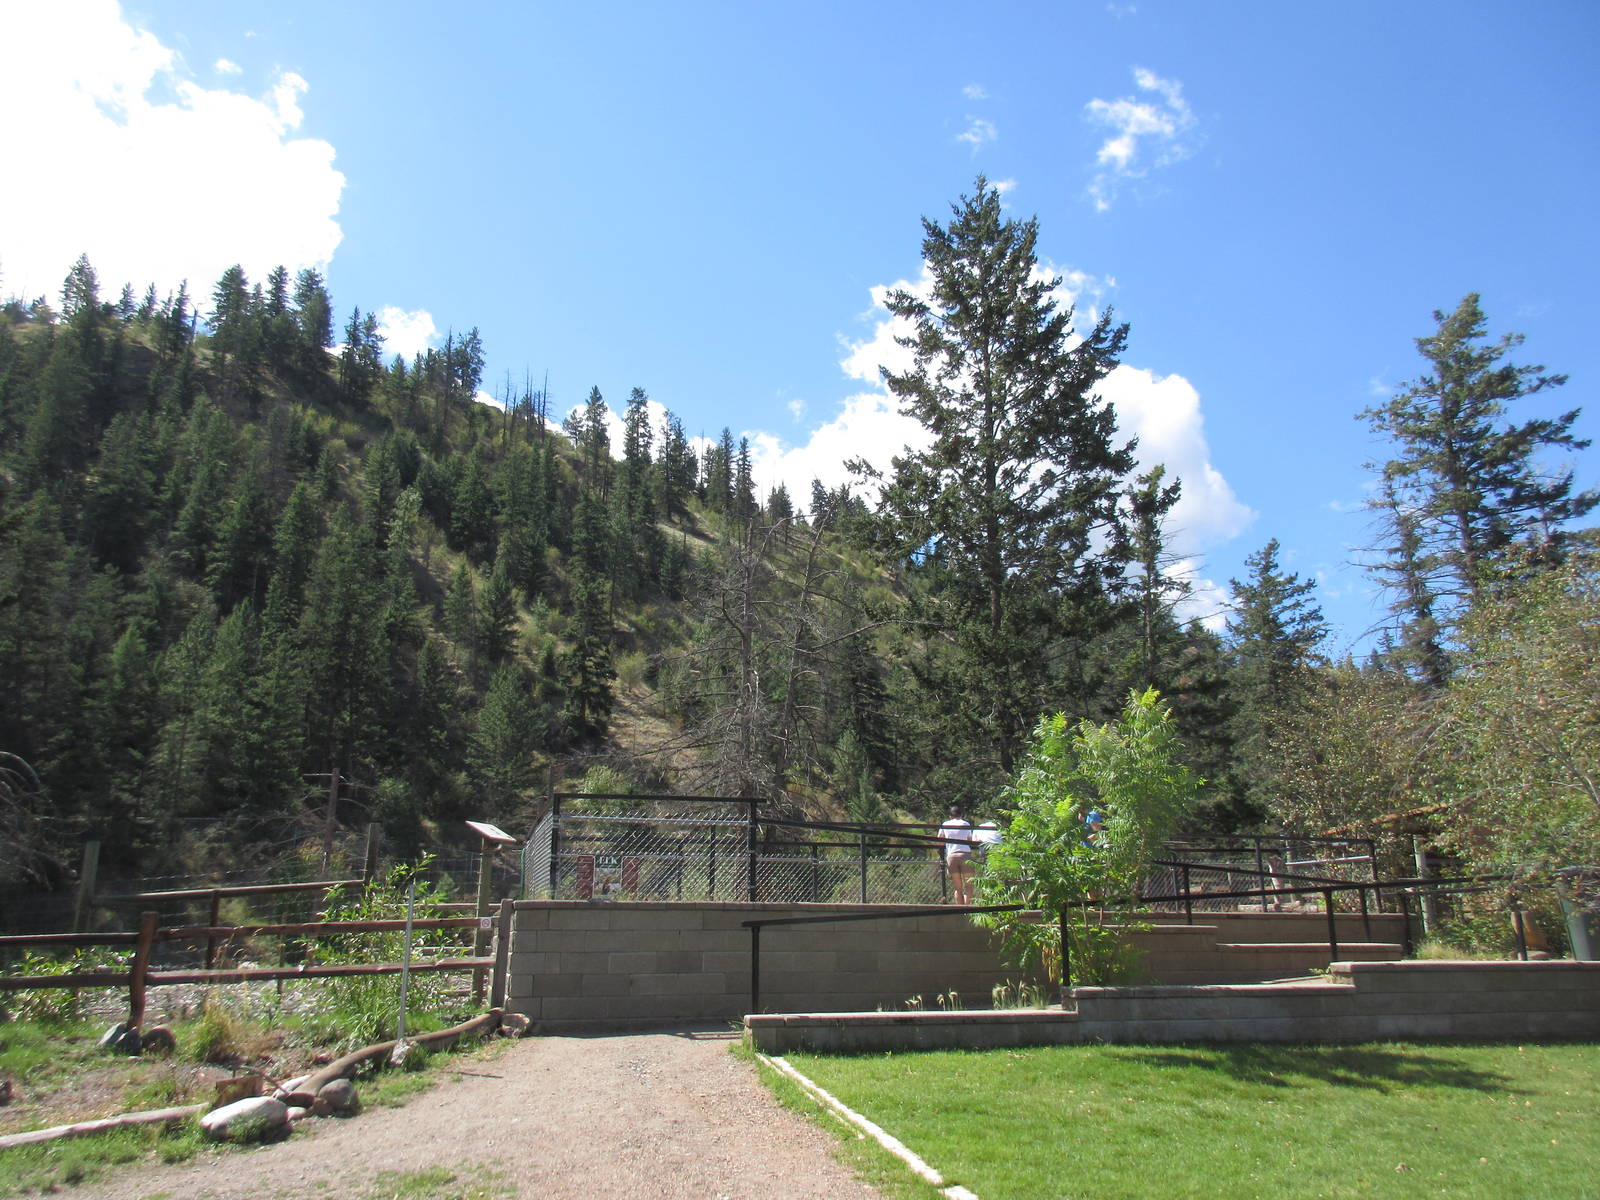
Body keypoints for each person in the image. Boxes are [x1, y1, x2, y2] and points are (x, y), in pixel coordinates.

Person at [939, 805, 975, 904]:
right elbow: (970, 840)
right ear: (962, 815)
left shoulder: (945, 824)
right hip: (965, 855)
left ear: (950, 816)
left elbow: (939, 840)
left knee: (958, 887)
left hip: (951, 856)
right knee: (969, 886)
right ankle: (968, 909)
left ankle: (960, 909)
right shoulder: (966, 824)